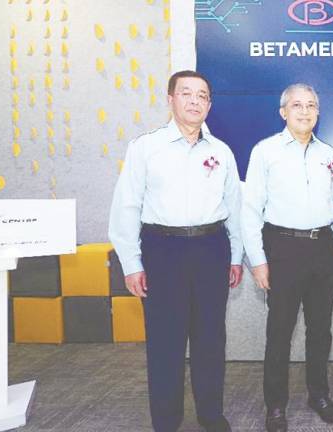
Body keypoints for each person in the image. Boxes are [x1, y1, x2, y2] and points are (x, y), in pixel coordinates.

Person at [108, 70, 243, 432]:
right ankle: (166, 421)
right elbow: (126, 207)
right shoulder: (145, 147)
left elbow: (235, 208)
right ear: (170, 99)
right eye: (187, 93)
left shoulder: (221, 151)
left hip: (211, 247)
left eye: (202, 95)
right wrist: (131, 262)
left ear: (209, 105)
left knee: (210, 339)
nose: (195, 101)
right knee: (165, 342)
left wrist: (235, 256)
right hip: (161, 250)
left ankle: (211, 415)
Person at [240, 84, 333, 432]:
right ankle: (276, 405)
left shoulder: (328, 153)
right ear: (283, 112)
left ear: (318, 112)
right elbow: (251, 209)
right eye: (296, 105)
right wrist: (257, 259)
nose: (304, 111)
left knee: (321, 330)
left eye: (311, 105)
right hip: (281, 249)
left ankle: (319, 394)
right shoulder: (265, 151)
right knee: (279, 332)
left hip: (323, 248)